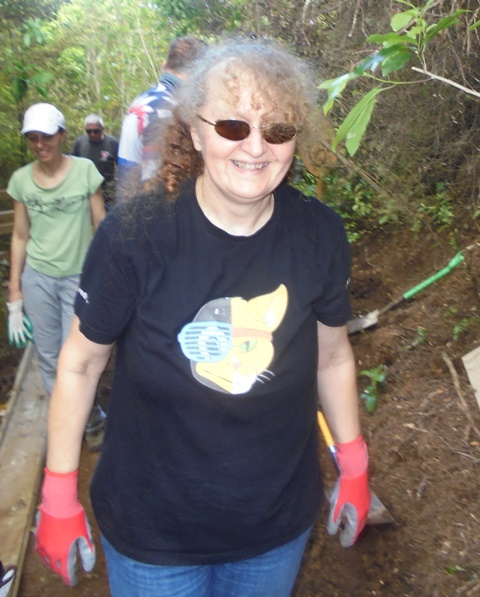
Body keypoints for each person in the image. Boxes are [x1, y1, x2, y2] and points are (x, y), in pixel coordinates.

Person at [34, 39, 371, 595]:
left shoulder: (319, 234)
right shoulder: (135, 235)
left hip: (273, 526)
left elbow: (332, 357)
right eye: (233, 126)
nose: (256, 147)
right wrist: (57, 492)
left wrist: (354, 462)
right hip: (153, 533)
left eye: (277, 130)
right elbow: (80, 363)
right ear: (195, 131)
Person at [6, 102, 107, 451]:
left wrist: (108, 276)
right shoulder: (21, 180)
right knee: (48, 356)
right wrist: (15, 291)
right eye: (33, 138)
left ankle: (89, 418)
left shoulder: (85, 171)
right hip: (38, 279)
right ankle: (68, 420)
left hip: (79, 278)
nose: (40, 144)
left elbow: (102, 225)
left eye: (46, 136)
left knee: (74, 357)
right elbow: (20, 235)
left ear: (62, 135)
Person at [116, 35, 206, 197]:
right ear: (197, 73)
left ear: (164, 66)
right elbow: (155, 182)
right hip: (149, 206)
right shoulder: (167, 109)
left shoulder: (145, 99)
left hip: (129, 202)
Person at [71, 114, 119, 207]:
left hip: (107, 191)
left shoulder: (112, 143)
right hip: (84, 190)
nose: (92, 134)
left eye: (96, 131)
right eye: (89, 131)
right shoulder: (80, 142)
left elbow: (121, 165)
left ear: (102, 129)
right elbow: (72, 165)